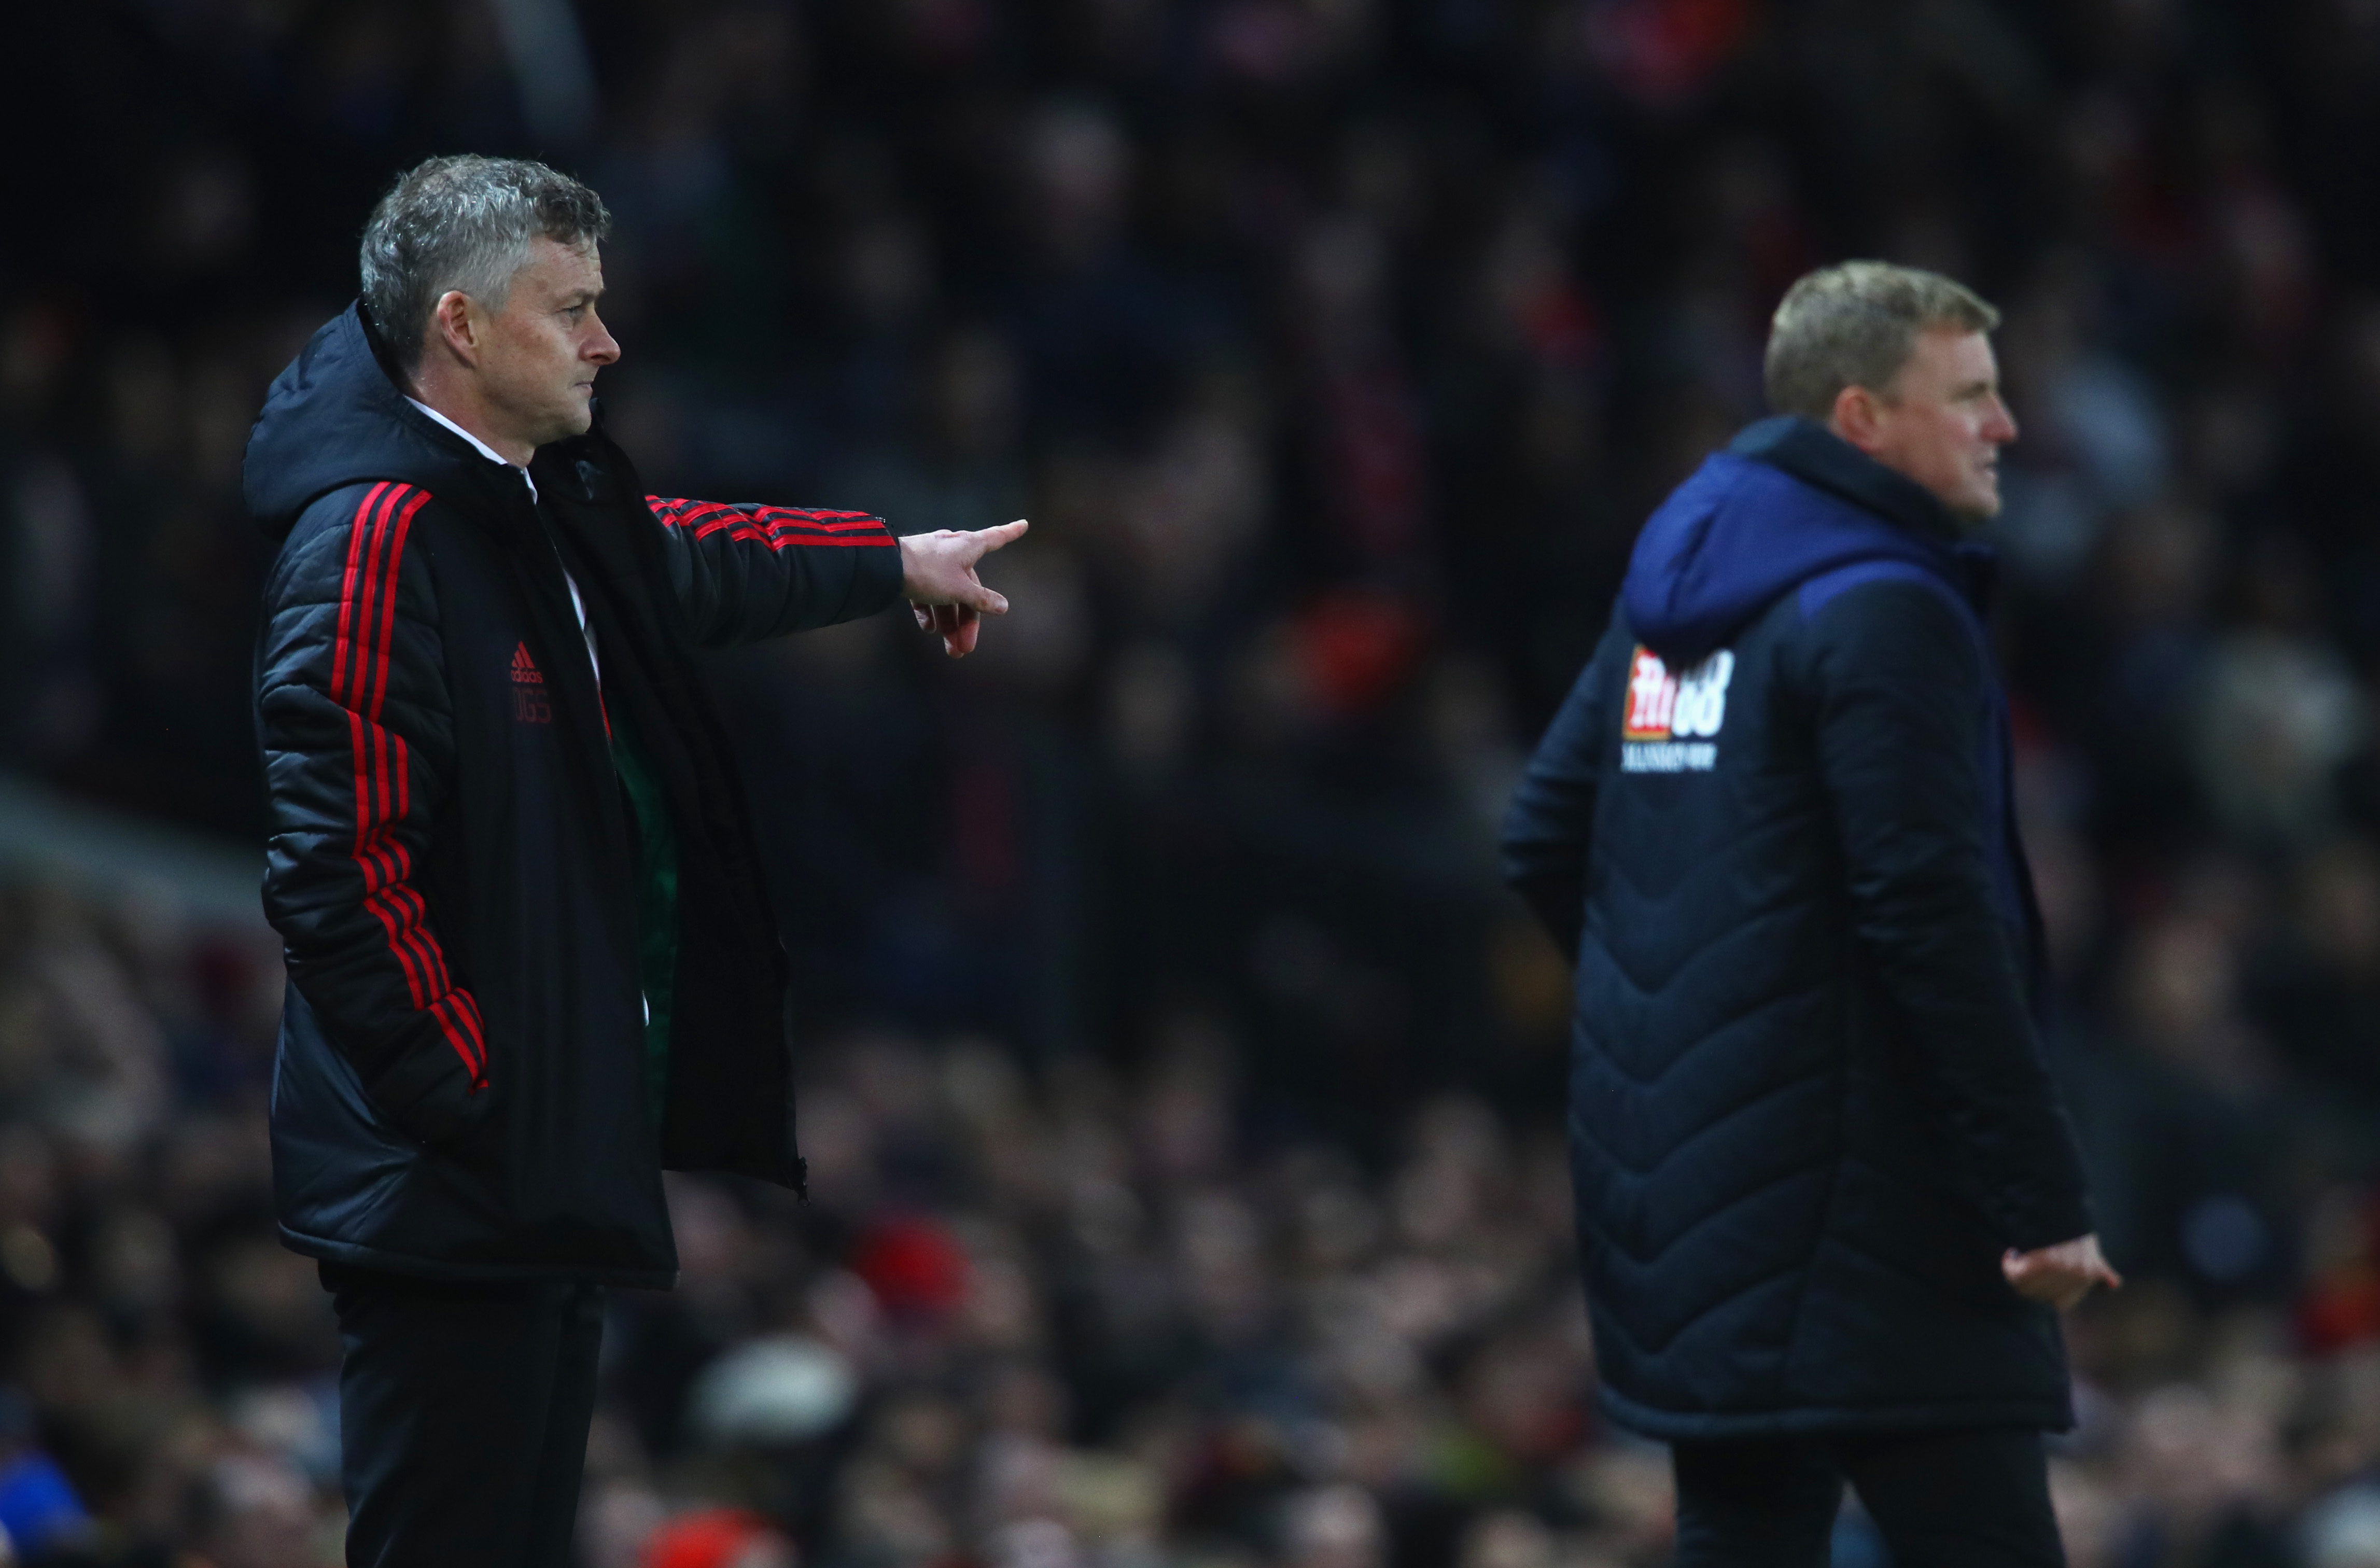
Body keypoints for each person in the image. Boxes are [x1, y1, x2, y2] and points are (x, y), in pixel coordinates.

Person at [244, 155, 1024, 1566]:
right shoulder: (372, 535)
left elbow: (690, 559)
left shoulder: (516, 511)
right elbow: (338, 874)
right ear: (464, 329)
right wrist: (472, 1095)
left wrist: (889, 560)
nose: (607, 341)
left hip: (533, 1172)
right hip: (455, 1188)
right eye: (574, 309)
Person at [1500, 261, 2121, 1567]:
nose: (2005, 427)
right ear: (1861, 420)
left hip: (1695, 1207)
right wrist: (2038, 1190)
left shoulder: (1675, 594)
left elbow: (1545, 836)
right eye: (1969, 396)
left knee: (1743, 1531)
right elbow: (1929, 910)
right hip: (1884, 1218)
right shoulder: (1886, 605)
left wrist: (1698, 1045)